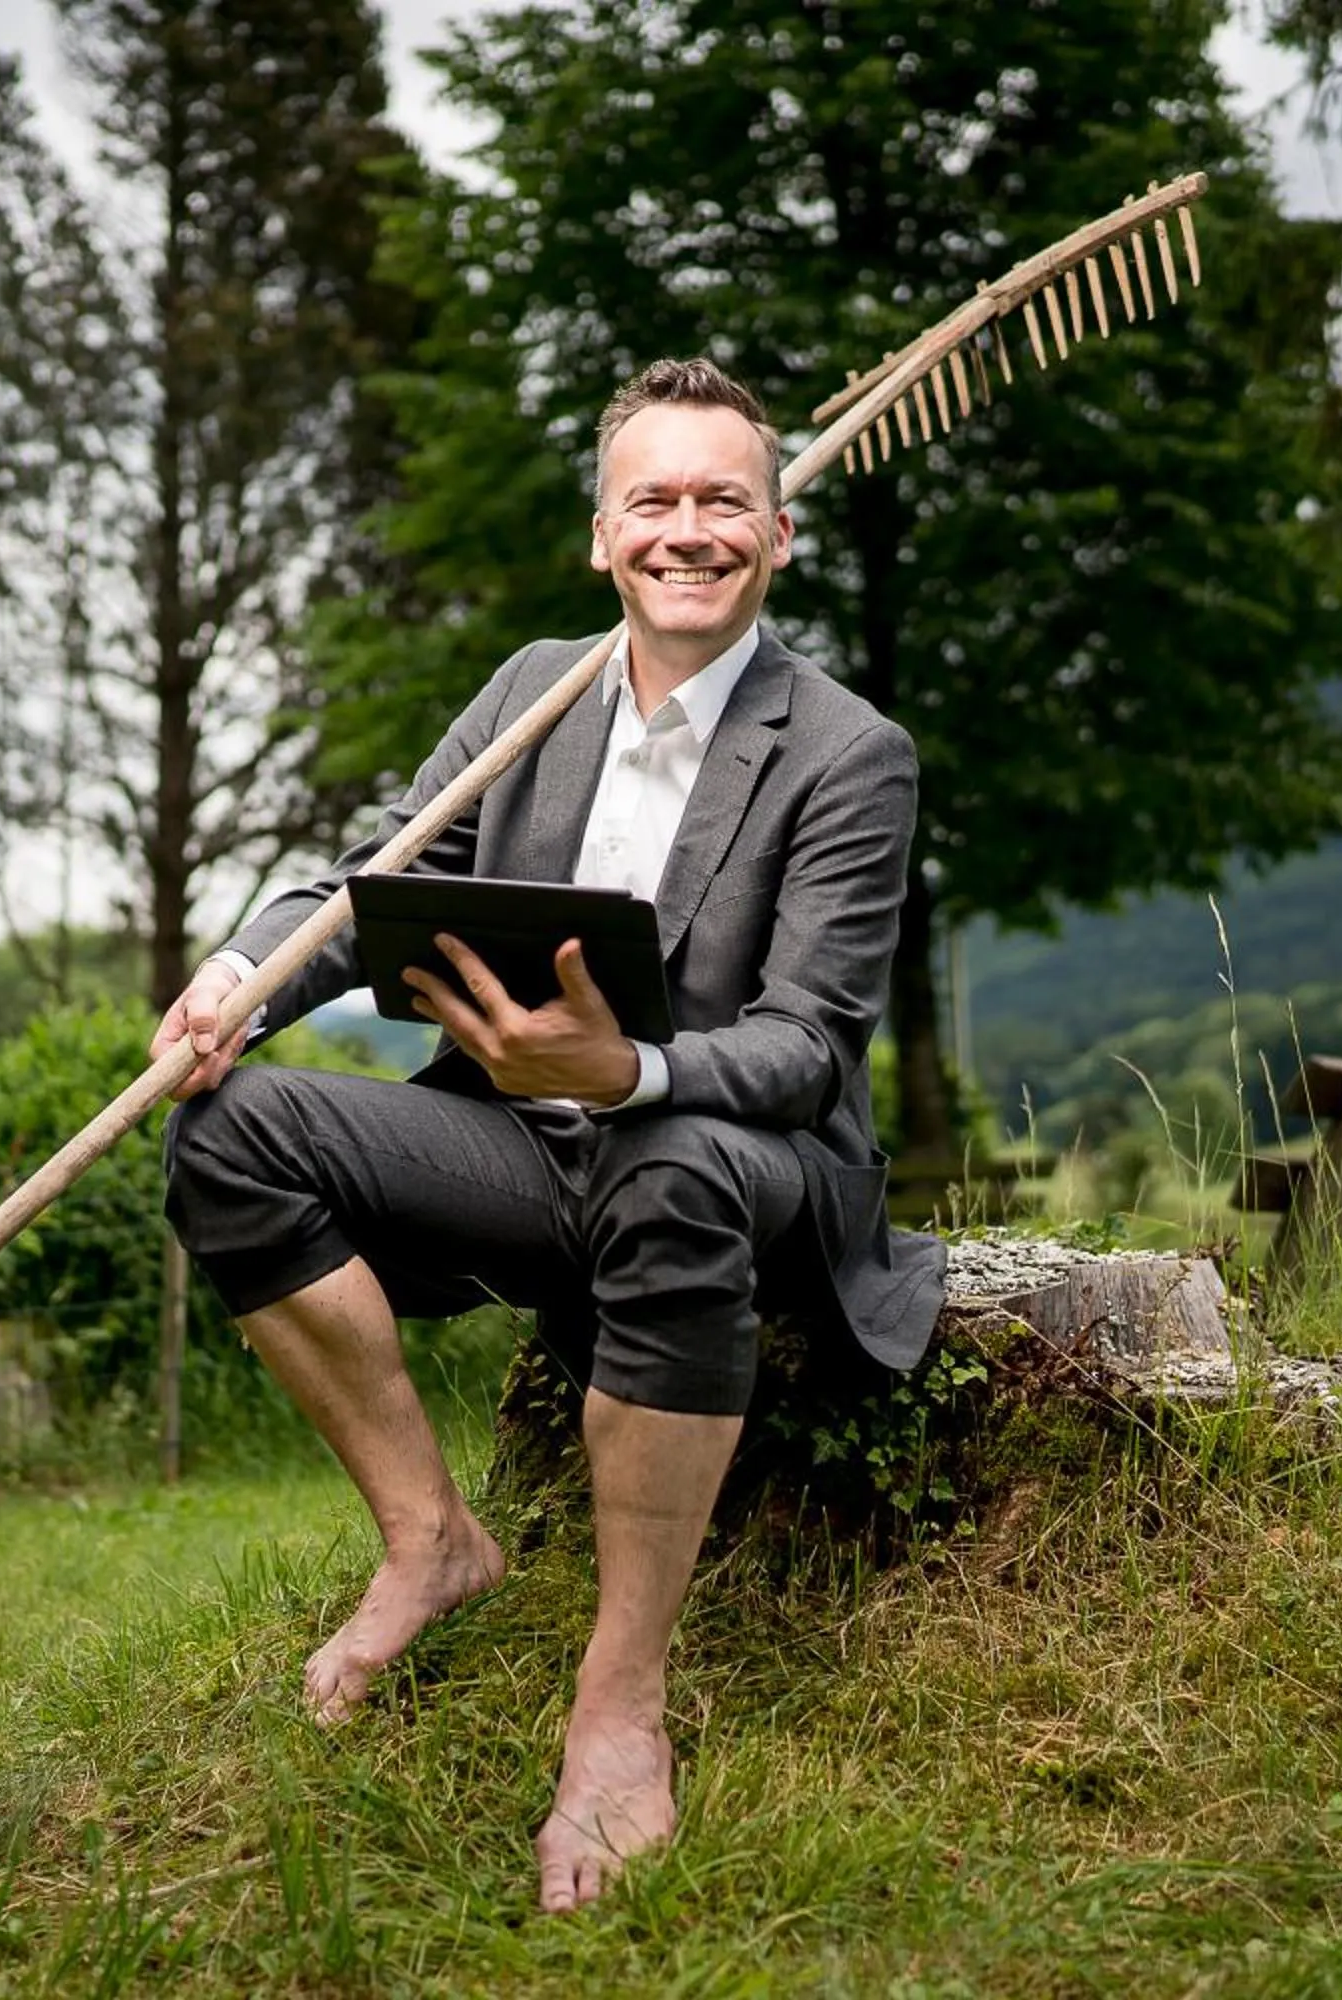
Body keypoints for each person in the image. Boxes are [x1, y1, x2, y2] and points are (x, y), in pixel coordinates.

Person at [152, 356, 945, 1912]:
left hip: (748, 1171)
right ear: (604, 536)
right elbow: (371, 868)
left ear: (779, 536)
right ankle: (431, 1539)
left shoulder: (851, 753)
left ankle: (620, 1707)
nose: (689, 530)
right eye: (654, 499)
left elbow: (805, 1051)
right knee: (229, 1133)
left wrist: (633, 1067)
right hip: (526, 1149)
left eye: (726, 500)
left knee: (671, 1157)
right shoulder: (532, 694)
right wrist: (248, 972)